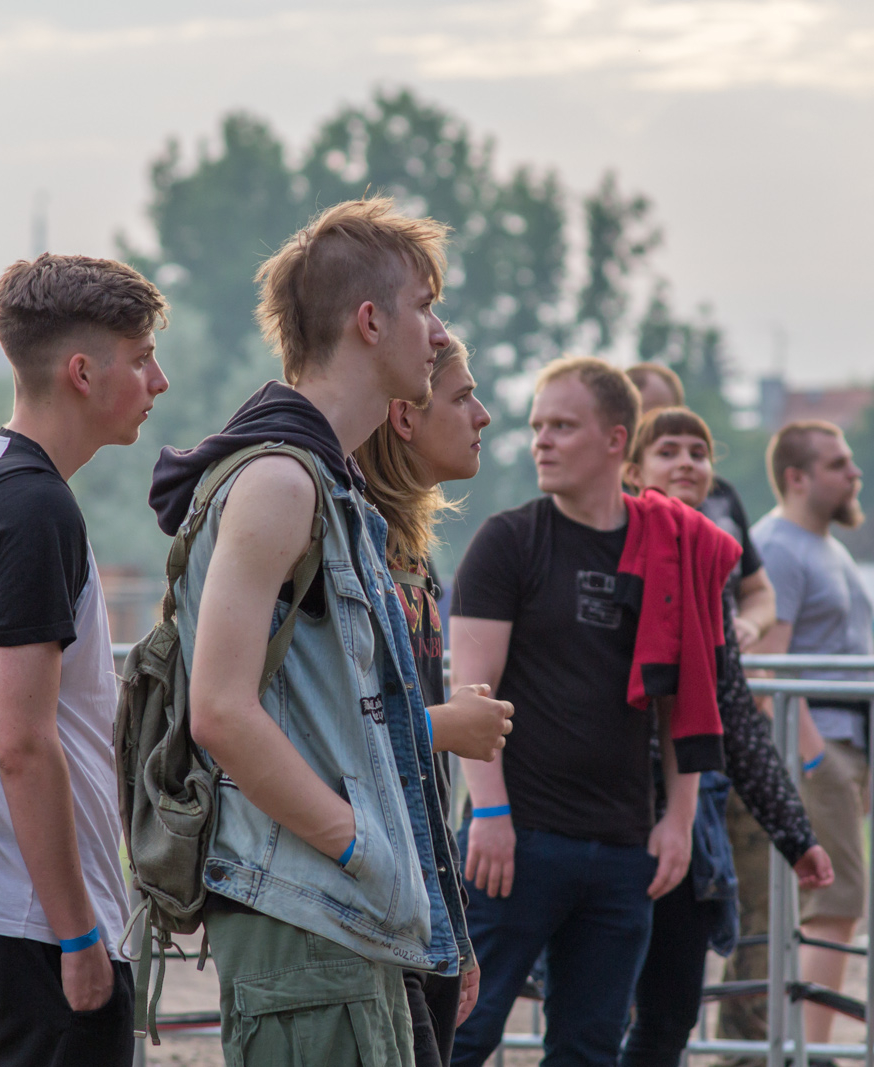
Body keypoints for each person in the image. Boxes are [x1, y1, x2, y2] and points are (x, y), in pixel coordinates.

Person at [152, 198, 489, 1067]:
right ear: (369, 321)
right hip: (308, 915)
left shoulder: (324, 484)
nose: (439, 330)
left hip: (339, 917)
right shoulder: (279, 482)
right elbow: (220, 711)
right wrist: (360, 845)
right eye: (424, 304)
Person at [0, 254, 168, 1065]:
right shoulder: (34, 511)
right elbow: (25, 741)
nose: (157, 381)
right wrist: (78, 933)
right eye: (141, 358)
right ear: (81, 372)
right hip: (36, 924)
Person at [449, 357, 718, 1067]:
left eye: (562, 426)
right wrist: (491, 814)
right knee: (461, 1034)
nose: (541, 440)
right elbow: (470, 690)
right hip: (517, 839)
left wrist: (679, 820)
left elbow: (683, 698)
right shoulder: (508, 541)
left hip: (623, 846)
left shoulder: (666, 547)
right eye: (538, 425)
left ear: (614, 441)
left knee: (591, 1047)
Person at [619, 406, 833, 1067]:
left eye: (698, 452)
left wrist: (795, 831)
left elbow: (732, 712)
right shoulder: (594, 547)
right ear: (630, 468)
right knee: (590, 1016)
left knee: (668, 1015)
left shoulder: (706, 565)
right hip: (596, 815)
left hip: (685, 815)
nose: (687, 462)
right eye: (668, 451)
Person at [354, 335, 506, 1067]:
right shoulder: (349, 544)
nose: (483, 415)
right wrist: (444, 725)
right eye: (462, 396)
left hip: (423, 902)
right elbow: (319, 730)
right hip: (366, 906)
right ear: (405, 420)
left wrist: (456, 930)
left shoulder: (413, 552)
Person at [747, 419, 874, 1046]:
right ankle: (812, 1049)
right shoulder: (781, 545)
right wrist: (815, 760)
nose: (854, 472)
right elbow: (769, 670)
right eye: (837, 463)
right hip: (815, 744)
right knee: (835, 903)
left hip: (839, 743)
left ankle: (808, 1044)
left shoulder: (827, 545)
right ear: (797, 478)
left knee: (836, 904)